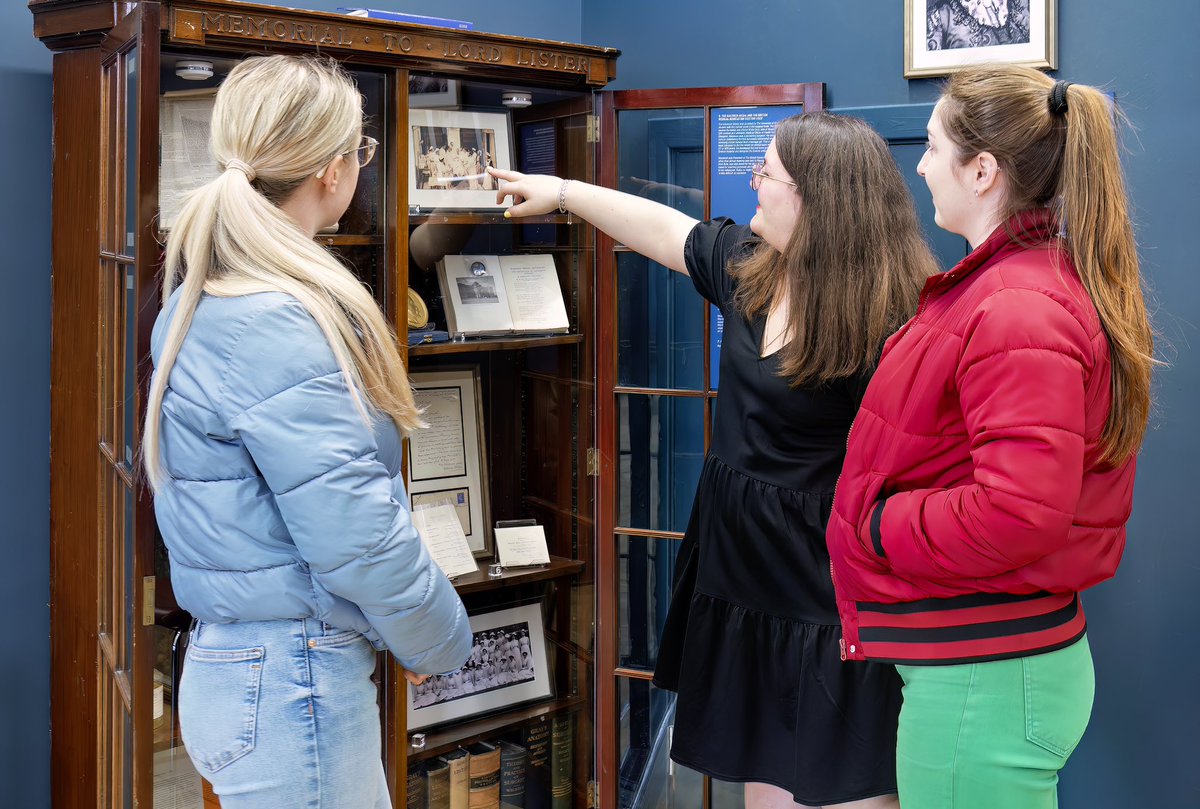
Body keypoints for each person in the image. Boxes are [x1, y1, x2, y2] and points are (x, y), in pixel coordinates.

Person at [490, 110, 938, 809]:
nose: (754, 181)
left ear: (818, 199)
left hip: (828, 595)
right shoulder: (752, 272)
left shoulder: (894, 316)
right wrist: (566, 190)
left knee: (844, 781)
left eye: (769, 173)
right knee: (760, 777)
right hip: (740, 575)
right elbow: (668, 231)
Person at [142, 55, 472, 808]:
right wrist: (439, 641)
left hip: (248, 667)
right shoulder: (278, 319)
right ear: (333, 170)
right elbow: (354, 533)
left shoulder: (206, 295)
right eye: (363, 151)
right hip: (295, 682)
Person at [825, 66, 1154, 809]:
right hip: (989, 669)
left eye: (934, 147)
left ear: (982, 170)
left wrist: (878, 524)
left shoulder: (1015, 308)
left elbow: (1016, 514)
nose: (919, 164)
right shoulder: (1009, 288)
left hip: (985, 678)